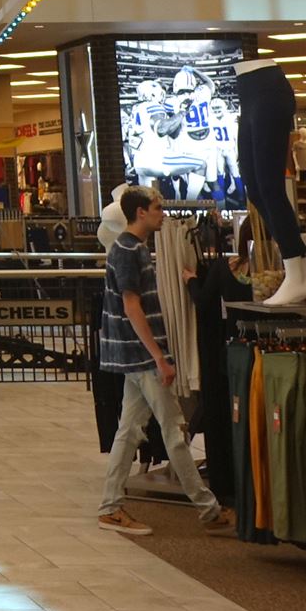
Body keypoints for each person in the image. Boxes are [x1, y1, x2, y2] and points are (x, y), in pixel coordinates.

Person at [96, 186, 233, 537]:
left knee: (129, 432)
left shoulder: (128, 249)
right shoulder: (129, 251)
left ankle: (111, 507)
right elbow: (131, 306)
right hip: (142, 356)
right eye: (157, 208)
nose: (163, 213)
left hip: (133, 355)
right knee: (173, 430)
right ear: (140, 212)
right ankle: (208, 509)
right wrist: (160, 357)